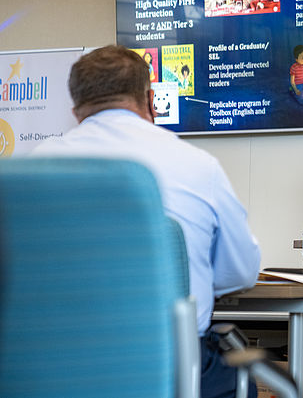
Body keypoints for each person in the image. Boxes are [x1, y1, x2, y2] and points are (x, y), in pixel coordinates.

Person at [30, 45, 262, 398]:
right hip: (170, 368)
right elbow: (241, 273)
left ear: (76, 111)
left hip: (55, 369)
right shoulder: (197, 165)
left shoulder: (33, 168)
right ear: (150, 100)